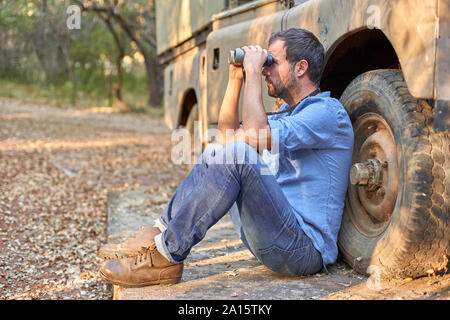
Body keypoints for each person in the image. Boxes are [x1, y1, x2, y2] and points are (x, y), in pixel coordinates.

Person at [98, 28, 354, 287]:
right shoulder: (288, 113)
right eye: (264, 64)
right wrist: (236, 78)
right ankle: (159, 234)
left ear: (301, 68)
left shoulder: (327, 113)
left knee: (239, 155)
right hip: (274, 238)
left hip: (303, 250)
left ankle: (167, 255)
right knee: (216, 152)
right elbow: (226, 137)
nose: (265, 69)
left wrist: (253, 72)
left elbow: (253, 137)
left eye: (272, 62)